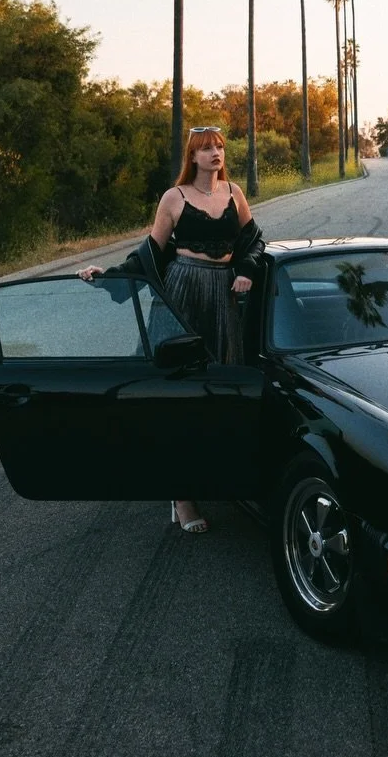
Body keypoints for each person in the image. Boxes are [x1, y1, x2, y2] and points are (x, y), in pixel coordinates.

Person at [80, 125, 264, 533]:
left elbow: (253, 241)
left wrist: (246, 270)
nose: (215, 153)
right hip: (184, 293)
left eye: (219, 147)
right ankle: (181, 495)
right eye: (206, 148)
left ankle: (217, 473)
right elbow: (149, 253)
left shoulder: (234, 193)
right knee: (181, 390)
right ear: (192, 156)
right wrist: (108, 275)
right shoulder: (174, 197)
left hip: (223, 297)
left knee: (219, 389)